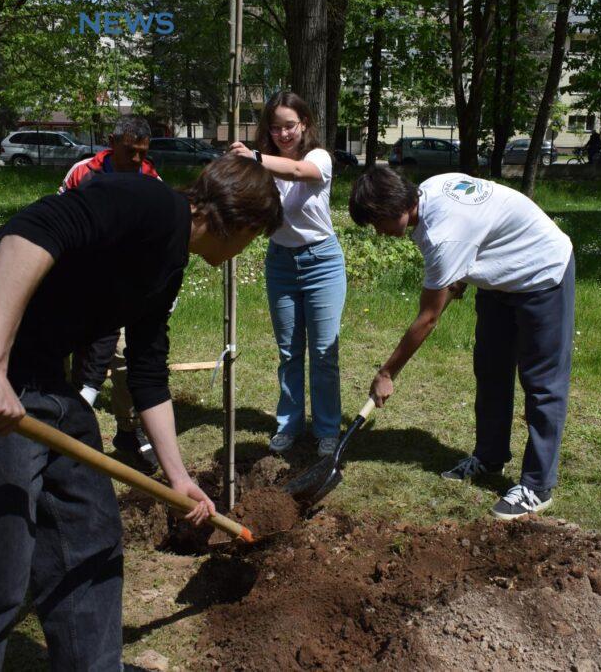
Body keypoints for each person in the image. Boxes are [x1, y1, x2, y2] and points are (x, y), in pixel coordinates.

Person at [0, 155, 282, 671]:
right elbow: (31, 231)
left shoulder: (169, 263)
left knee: (89, 536)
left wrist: (178, 478)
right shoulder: (148, 203)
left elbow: (147, 372)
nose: (244, 251)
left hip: (44, 383)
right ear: (241, 223)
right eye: (253, 239)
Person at [349, 167, 574, 521]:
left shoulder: (442, 236)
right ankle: (490, 457)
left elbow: (428, 318)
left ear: (395, 208)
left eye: (377, 223)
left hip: (540, 271)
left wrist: (386, 372)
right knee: (491, 370)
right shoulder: (429, 189)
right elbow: (481, 223)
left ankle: (537, 486)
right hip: (500, 277)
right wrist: (458, 276)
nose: (378, 232)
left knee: (542, 383)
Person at [229, 91, 346, 457]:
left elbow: (298, 172)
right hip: (280, 264)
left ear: (304, 124)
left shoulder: (318, 157)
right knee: (289, 352)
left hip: (321, 263)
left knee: (323, 354)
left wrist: (254, 157)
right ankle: (289, 425)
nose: (282, 134)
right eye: (275, 127)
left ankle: (327, 429)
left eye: (289, 126)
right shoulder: (262, 168)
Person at [59, 115, 162, 473]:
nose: (136, 159)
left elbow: (158, 238)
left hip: (124, 288)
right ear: (112, 142)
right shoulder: (82, 173)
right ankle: (65, 430)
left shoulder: (150, 179)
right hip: (78, 281)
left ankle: (129, 431)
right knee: (67, 354)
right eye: (130, 151)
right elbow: (59, 219)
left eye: (142, 152)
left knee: (123, 356)